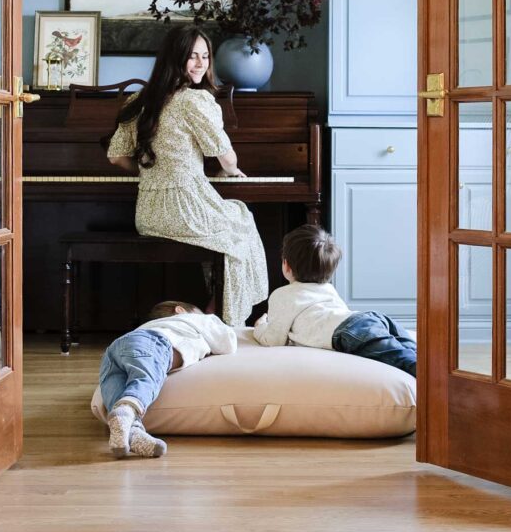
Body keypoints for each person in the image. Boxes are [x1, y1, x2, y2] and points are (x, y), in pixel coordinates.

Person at [107, 24, 268, 326]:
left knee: (225, 232)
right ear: (174, 58)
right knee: (241, 220)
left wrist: (149, 172)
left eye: (205, 56)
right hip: (186, 207)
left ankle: (212, 309)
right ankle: (223, 317)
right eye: (191, 56)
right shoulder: (195, 100)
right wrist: (231, 170)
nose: (200, 63)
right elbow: (225, 156)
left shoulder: (137, 100)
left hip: (149, 213)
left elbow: (117, 156)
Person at [253, 224, 417, 377]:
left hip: (348, 332)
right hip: (368, 318)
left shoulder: (283, 294)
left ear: (286, 265)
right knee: (415, 352)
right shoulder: (327, 288)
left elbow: (273, 339)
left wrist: (260, 328)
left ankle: (437, 384)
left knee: (404, 361)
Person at [100, 300, 237, 458]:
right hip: (153, 342)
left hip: (114, 349)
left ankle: (133, 433)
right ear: (180, 310)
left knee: (116, 390)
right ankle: (127, 409)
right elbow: (228, 343)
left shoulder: (154, 325)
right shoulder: (195, 319)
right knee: (147, 377)